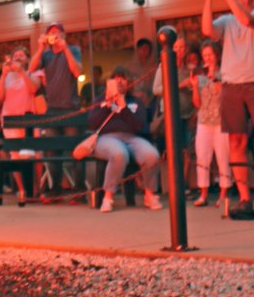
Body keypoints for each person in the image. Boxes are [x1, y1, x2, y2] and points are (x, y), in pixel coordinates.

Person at [201, 0, 254, 218]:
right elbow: (207, 30)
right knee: (236, 141)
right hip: (232, 85)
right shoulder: (226, 20)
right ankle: (244, 197)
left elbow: (246, 20)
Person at [86, 68, 163, 212]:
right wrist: (107, 105)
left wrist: (123, 107)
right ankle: (108, 197)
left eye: (123, 78)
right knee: (119, 154)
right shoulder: (100, 100)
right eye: (116, 78)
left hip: (132, 138)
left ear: (129, 82)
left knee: (151, 155)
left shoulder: (135, 102)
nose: (120, 81)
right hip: (107, 138)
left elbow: (139, 125)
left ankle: (150, 194)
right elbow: (92, 122)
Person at [29, 22, 82, 194]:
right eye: (51, 33)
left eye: (58, 32)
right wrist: (40, 48)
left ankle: (80, 189)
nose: (55, 35)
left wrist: (65, 48)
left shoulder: (73, 50)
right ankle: (55, 189)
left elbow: (77, 72)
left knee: (76, 151)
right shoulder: (46, 55)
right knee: (52, 151)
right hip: (52, 110)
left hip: (71, 108)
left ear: (64, 35)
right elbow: (30, 69)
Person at [0, 47, 42, 202]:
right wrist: (3, 75)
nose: (18, 57)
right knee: (15, 156)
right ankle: (22, 190)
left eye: (22, 55)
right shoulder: (6, 77)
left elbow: (33, 89)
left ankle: (35, 189)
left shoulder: (33, 74)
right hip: (10, 119)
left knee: (34, 154)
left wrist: (21, 72)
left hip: (28, 120)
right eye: (15, 55)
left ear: (27, 60)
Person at [190, 41, 231, 207]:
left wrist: (215, 78)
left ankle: (223, 194)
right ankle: (203, 194)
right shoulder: (200, 76)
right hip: (204, 121)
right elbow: (197, 103)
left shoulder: (225, 73)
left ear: (217, 55)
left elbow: (224, 96)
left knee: (223, 157)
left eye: (210, 54)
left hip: (221, 120)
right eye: (204, 55)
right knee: (202, 157)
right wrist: (194, 87)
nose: (207, 58)